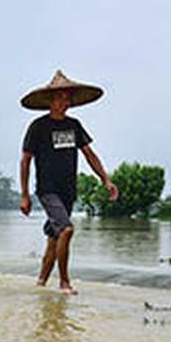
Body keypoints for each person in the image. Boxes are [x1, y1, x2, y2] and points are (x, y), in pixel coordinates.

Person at [19, 69, 118, 295]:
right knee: (66, 229)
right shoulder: (38, 127)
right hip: (47, 190)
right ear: (50, 100)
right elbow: (25, 161)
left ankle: (40, 285)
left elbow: (89, 154)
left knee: (54, 239)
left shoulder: (74, 125)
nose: (65, 102)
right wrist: (24, 195)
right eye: (60, 97)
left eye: (67, 98)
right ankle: (64, 282)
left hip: (68, 190)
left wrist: (106, 180)